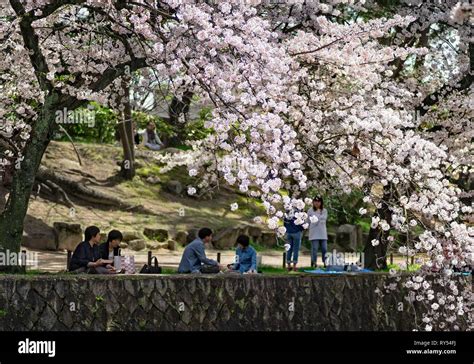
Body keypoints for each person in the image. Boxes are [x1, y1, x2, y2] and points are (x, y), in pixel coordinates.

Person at [307, 196, 328, 268]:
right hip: (313, 232)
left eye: (318, 201)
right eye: (315, 201)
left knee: (324, 248)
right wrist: (318, 218)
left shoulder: (324, 210)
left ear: (321, 202)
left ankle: (325, 262)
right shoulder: (310, 210)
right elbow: (309, 220)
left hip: (323, 233)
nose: (317, 203)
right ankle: (314, 262)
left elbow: (324, 218)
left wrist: (315, 218)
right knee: (314, 249)